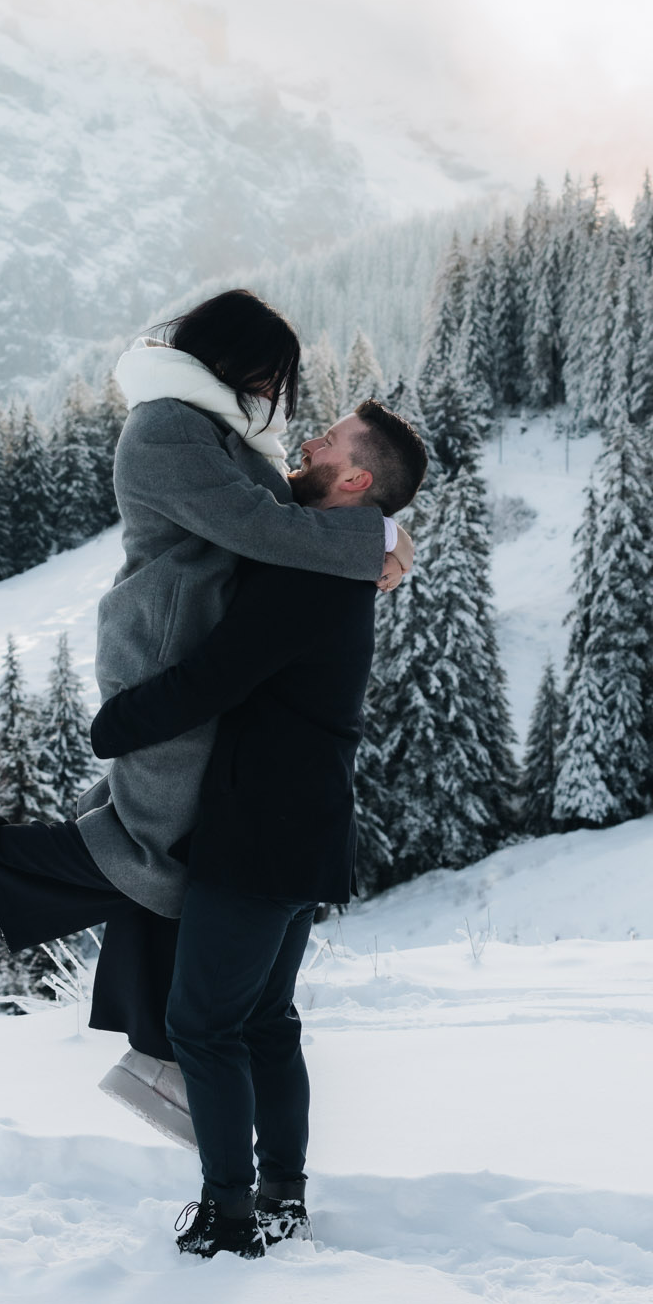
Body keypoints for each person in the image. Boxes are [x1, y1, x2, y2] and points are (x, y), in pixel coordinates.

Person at [0, 291, 408, 1140]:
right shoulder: (166, 428)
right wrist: (372, 538)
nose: (280, 397)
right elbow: (256, 524)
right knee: (151, 853)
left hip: (193, 660)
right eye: (271, 374)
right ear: (235, 362)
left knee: (177, 859)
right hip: (167, 659)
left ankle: (161, 1057)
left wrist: (377, 534)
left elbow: (288, 511)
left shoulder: (214, 428)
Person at [90, 399, 428, 1257]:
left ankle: (229, 1216)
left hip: (259, 829)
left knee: (206, 1024)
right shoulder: (335, 563)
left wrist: (114, 727)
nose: (308, 439)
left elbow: (215, 677)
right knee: (266, 1021)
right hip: (305, 828)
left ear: (354, 479)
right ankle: (280, 1194)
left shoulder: (307, 572)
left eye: (328, 440)